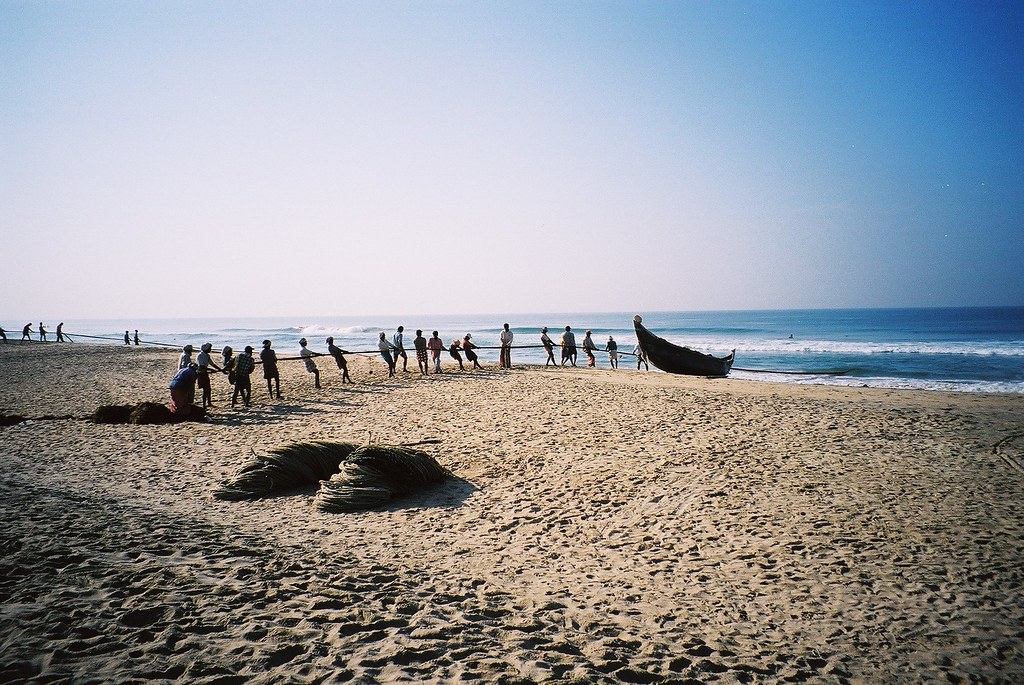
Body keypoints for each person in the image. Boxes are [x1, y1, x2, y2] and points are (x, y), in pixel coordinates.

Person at [195, 343, 222, 408]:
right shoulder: (200, 355)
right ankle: (204, 405)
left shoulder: (207, 355)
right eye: (209, 348)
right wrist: (211, 370)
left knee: (208, 389)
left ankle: (209, 403)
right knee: (205, 389)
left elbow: (212, 364)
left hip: (205, 373)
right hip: (201, 374)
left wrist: (220, 369)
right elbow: (201, 366)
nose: (210, 349)